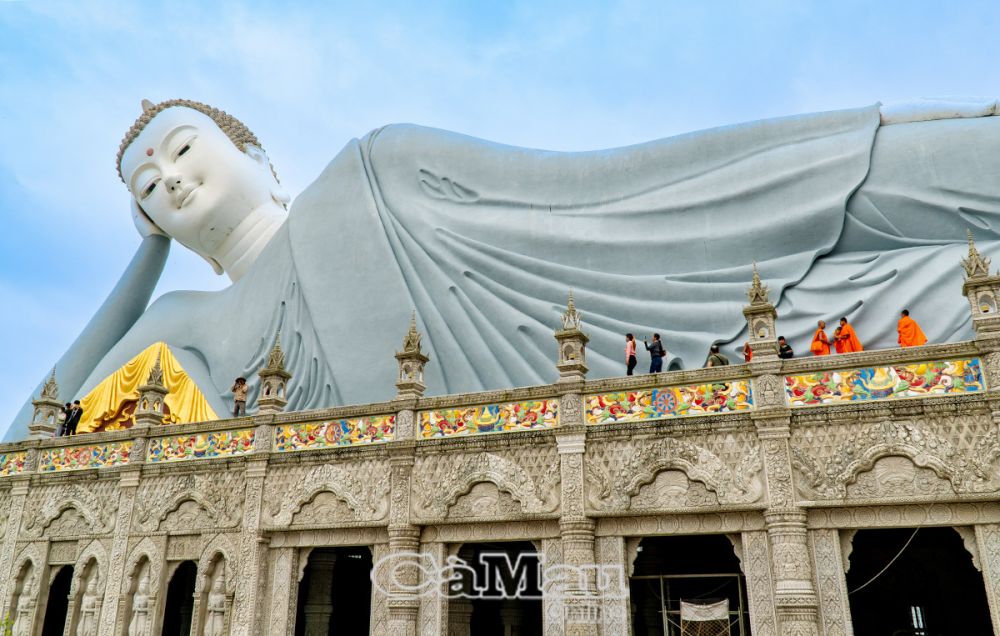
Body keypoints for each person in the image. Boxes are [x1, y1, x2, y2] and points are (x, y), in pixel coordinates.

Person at [14, 98, 1000, 441]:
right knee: (927, 309)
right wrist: (140, 267)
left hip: (620, 331)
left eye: (183, 150)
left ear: (260, 156)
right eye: (148, 188)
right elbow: (23, 453)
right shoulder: (187, 324)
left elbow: (603, 196)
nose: (171, 180)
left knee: (740, 202)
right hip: (451, 479)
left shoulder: (373, 166)